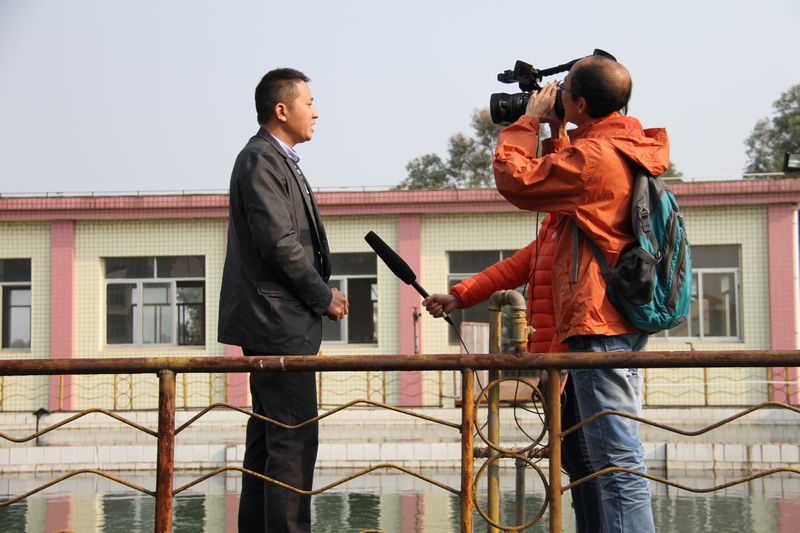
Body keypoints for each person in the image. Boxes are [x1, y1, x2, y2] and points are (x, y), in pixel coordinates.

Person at [492, 55, 668, 533]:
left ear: (582, 103)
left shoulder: (595, 157)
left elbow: (516, 179)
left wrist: (527, 122)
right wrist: (557, 133)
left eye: (564, 89)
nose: (558, 95)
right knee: (609, 455)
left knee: (615, 459)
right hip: (618, 318)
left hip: (597, 321)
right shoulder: (623, 146)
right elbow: (576, 194)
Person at [218, 68, 348, 533]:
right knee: (292, 443)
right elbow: (279, 243)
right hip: (276, 323)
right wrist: (323, 296)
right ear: (281, 109)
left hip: (277, 321)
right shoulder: (260, 159)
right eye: (308, 102)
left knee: (269, 440)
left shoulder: (277, 159)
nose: (316, 111)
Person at [422, 213, 604, 532]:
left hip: (573, 365)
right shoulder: (551, 230)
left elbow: (581, 303)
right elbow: (510, 269)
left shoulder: (579, 228)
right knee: (574, 459)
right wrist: (458, 296)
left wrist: (560, 361)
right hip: (556, 365)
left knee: (587, 459)